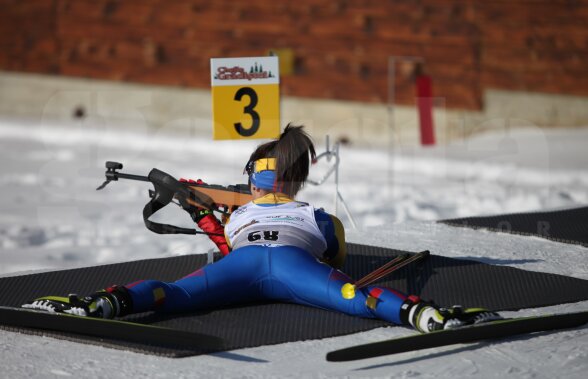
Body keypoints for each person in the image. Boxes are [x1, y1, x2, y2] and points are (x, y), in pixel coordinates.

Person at [23, 124, 500, 333]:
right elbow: (333, 258)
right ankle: (427, 317)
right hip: (296, 266)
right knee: (359, 299)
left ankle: (103, 302)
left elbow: (225, 244)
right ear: (295, 179)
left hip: (243, 262)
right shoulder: (319, 215)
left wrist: (202, 210)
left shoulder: (240, 214)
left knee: (170, 293)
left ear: (252, 178)